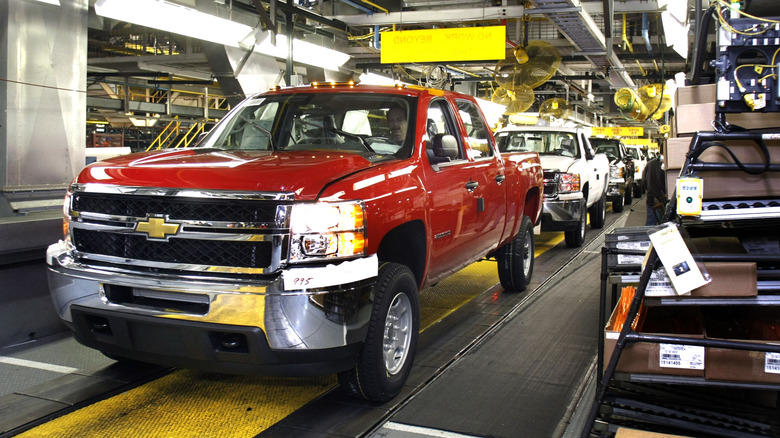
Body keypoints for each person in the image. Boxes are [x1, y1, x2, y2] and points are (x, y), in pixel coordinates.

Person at [643, 154, 667, 225]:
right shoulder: (668, 163)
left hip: (652, 197)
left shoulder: (650, 164)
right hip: (665, 198)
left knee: (651, 223)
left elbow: (644, 180)